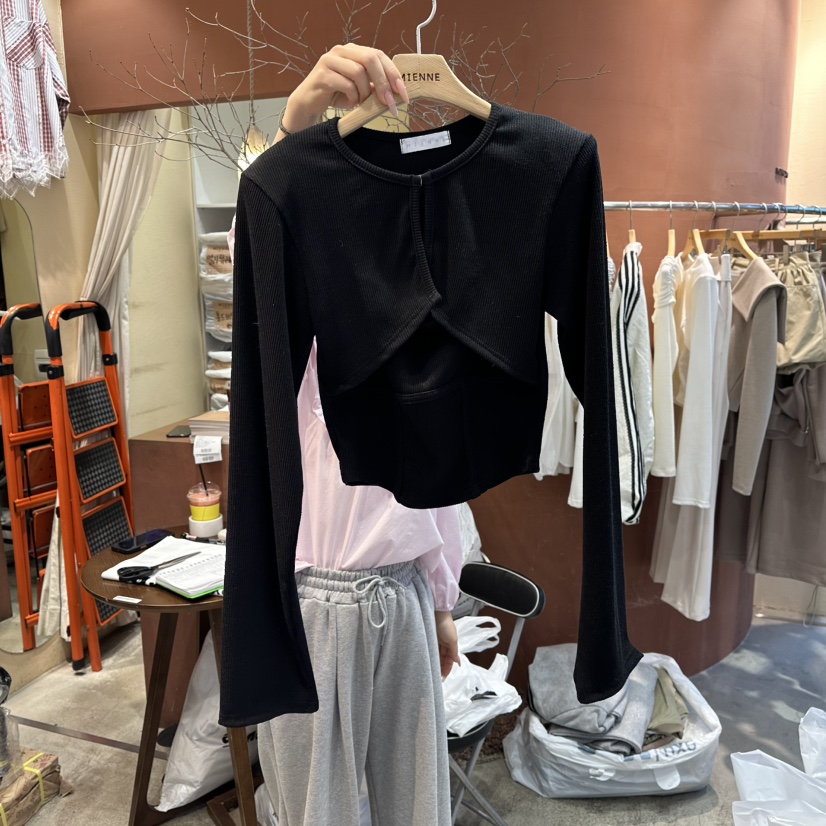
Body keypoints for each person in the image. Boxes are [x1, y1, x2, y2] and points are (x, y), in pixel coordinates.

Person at [227, 46, 463, 824]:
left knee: (418, 810)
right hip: (310, 604)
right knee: (313, 812)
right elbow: (256, 259)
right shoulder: (294, 309)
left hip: (402, 593)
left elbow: (435, 477)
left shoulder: (424, 310)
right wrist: (296, 127)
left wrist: (440, 600)